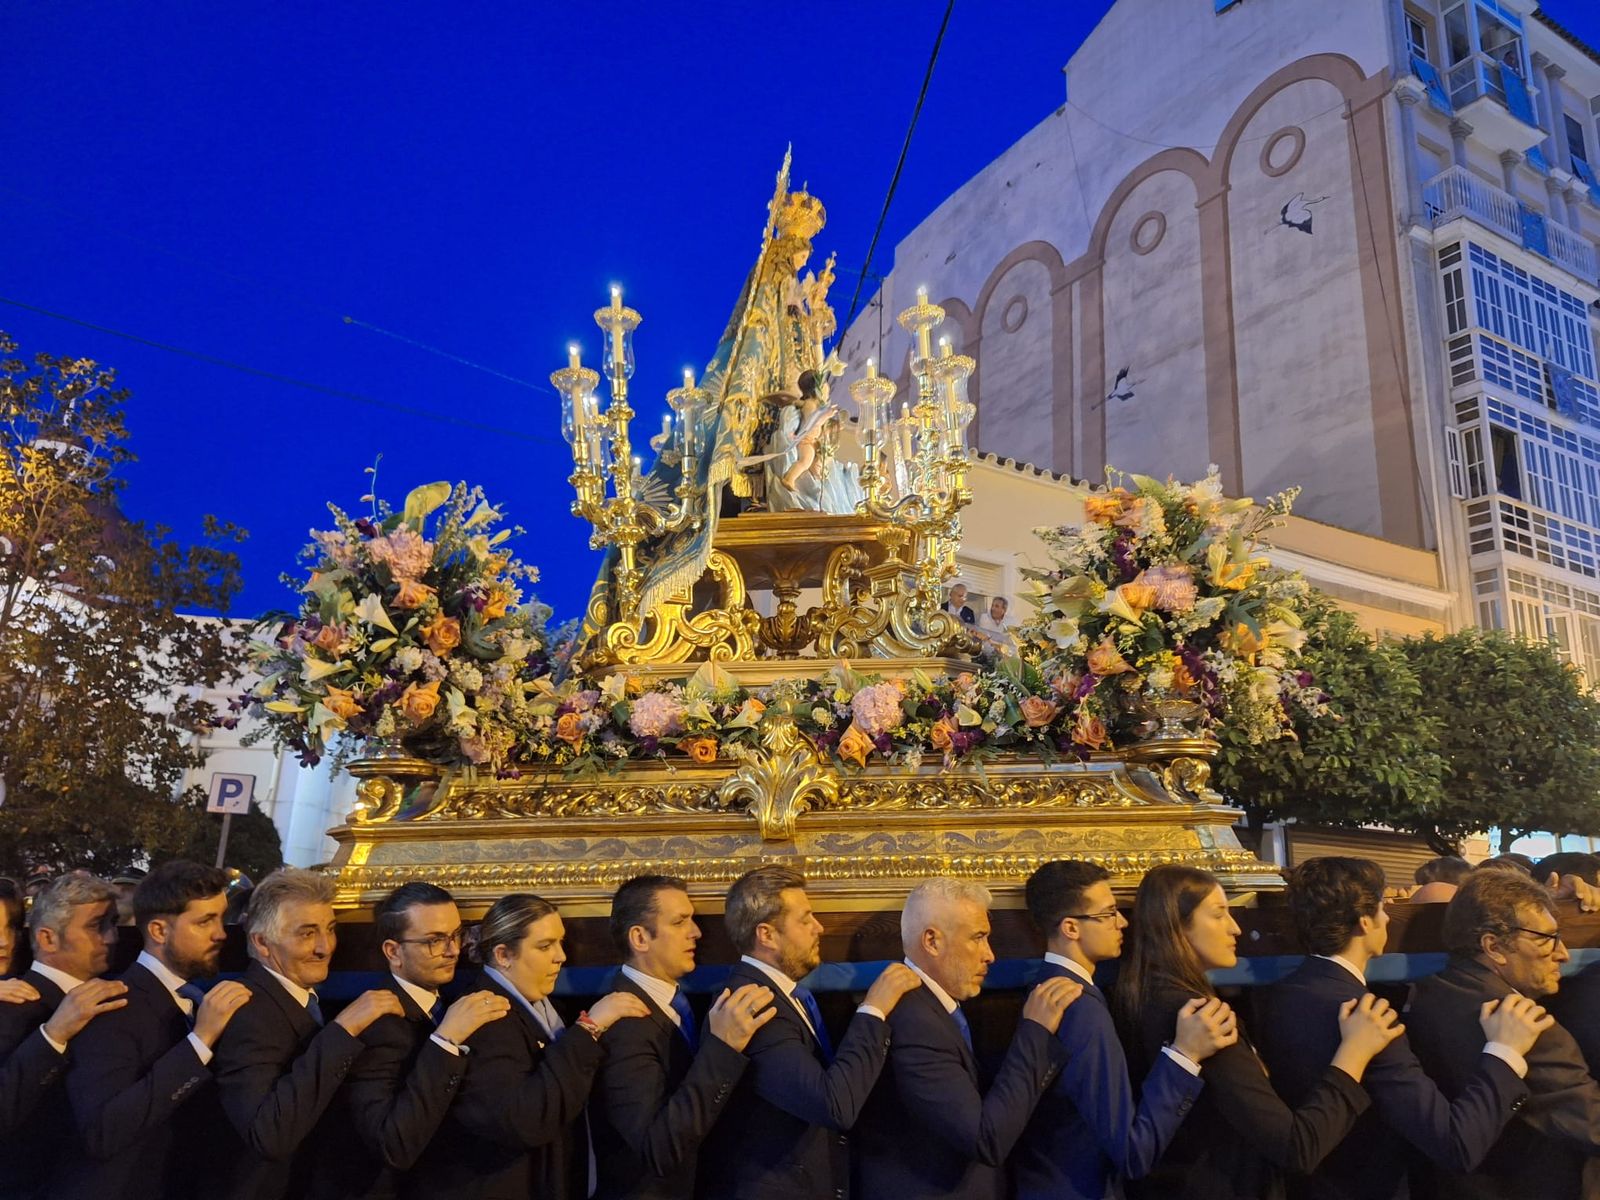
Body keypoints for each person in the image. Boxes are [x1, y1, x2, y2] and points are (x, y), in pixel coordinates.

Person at [1257, 857, 1548, 1200]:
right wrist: (1505, 1052)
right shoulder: (1369, 1017)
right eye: (1382, 907)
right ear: (1364, 922)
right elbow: (1454, 1143)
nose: (1387, 917)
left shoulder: (1277, 996)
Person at [1114, 865, 1402, 1200]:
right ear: (1177, 926)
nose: (1234, 928)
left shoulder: (1142, 997)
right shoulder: (1203, 1019)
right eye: (1218, 914)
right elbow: (1297, 1147)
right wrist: (1356, 1052)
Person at [696, 865, 923, 1200]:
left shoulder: (780, 995)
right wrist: (873, 1010)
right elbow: (832, 1105)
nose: (819, 928)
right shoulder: (752, 1004)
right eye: (805, 919)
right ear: (766, 934)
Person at [1012, 861, 1235, 1200]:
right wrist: (1184, 1054)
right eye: (1109, 913)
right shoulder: (1079, 1006)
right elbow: (1132, 1152)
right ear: (1071, 928)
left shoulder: (1046, 988)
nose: (1123, 922)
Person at [854, 879, 1081, 1199]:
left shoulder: (933, 1007)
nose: (990, 955)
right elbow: (985, 1139)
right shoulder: (916, 1023)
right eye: (978, 938)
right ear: (931, 941)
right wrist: (1035, 1032)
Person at [414, 892, 649, 1200]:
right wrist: (588, 1029)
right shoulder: (485, 1016)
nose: (561, 956)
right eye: (544, 945)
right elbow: (524, 1120)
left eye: (560, 942)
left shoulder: (546, 1010)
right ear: (503, 955)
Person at [54, 859, 253, 1199]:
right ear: (160, 931)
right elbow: (103, 1133)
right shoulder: (113, 1006)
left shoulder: (199, 1000)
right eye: (205, 921)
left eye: (221, 918)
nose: (221, 933)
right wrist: (199, 1042)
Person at [1405, 869, 1600, 1198]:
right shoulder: (1526, 1025)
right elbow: (1592, 1124)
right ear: (1493, 946)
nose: (1563, 954)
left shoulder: (1425, 997)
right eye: (1545, 939)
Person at [211, 868, 404, 1200]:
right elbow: (269, 1134)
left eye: (330, 930)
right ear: (261, 942)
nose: (324, 947)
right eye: (306, 933)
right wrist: (344, 1029)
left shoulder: (307, 998)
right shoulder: (246, 1010)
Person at [311, 881, 509, 1199]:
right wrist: (445, 1041)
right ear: (393, 951)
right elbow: (393, 1144)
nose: (453, 950)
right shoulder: (379, 1025)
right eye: (434, 941)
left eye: (457, 934)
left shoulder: (446, 1003)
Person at [590, 874, 775, 1200]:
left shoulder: (674, 1005)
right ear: (640, 938)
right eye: (680, 922)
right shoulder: (624, 1024)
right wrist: (722, 1046)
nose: (697, 932)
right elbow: (658, 1148)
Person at [0, 874, 128, 1195]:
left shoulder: (121, 999)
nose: (111, 937)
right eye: (96, 925)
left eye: (114, 922)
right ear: (47, 939)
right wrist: (52, 1037)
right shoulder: (10, 1006)